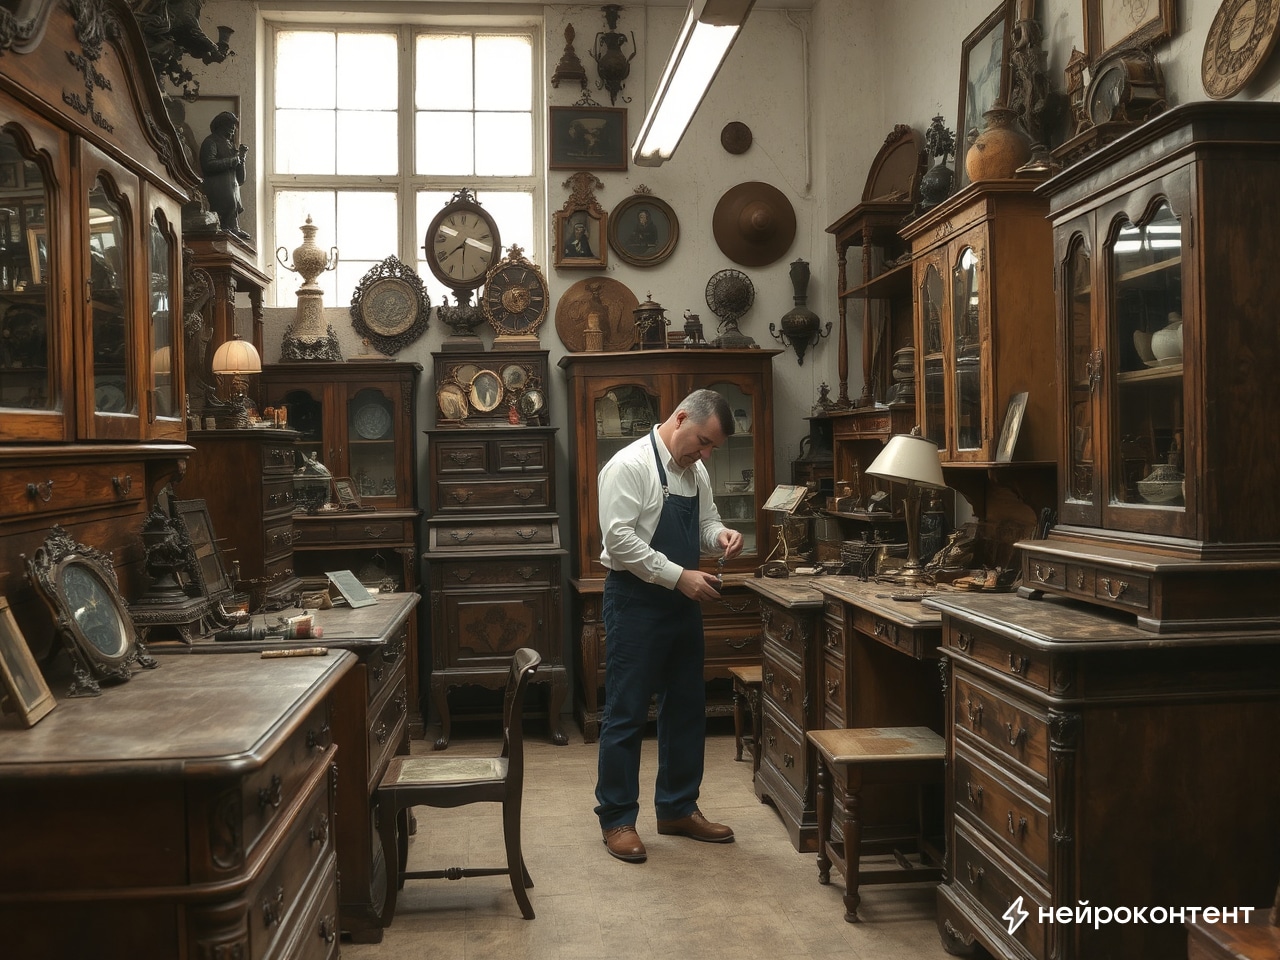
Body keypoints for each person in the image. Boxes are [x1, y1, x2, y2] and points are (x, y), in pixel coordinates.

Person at [594, 388, 744, 863]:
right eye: (703, 442)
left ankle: (678, 808)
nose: (706, 454)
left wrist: (720, 535)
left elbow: (706, 522)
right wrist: (679, 576)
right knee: (626, 712)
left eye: (712, 448)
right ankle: (617, 818)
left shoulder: (694, 471)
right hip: (635, 599)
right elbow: (619, 540)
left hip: (683, 600)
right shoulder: (629, 466)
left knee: (686, 708)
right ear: (680, 419)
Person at [198, 110, 250, 240]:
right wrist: (233, 160)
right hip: (218, 189)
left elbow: (240, 179)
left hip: (231, 190)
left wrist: (241, 159)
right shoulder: (211, 142)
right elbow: (208, 165)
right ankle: (226, 228)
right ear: (221, 126)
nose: (233, 130)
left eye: (234, 127)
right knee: (221, 221)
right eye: (230, 126)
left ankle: (234, 227)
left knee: (231, 213)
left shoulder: (230, 145)